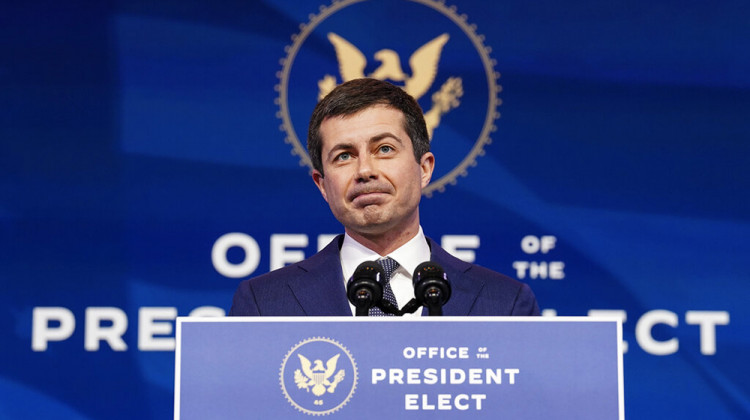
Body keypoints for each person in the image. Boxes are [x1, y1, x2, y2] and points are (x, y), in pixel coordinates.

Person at [229, 78, 539, 316]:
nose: (365, 170)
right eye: (344, 156)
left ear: (424, 168)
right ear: (322, 185)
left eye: (385, 149)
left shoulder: (504, 303)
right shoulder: (264, 303)